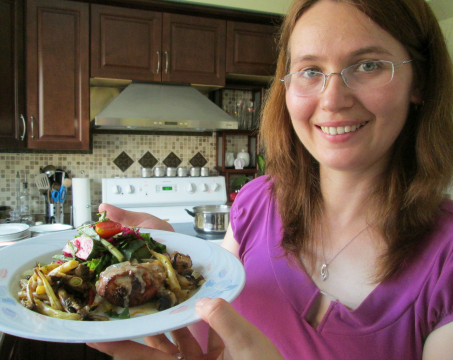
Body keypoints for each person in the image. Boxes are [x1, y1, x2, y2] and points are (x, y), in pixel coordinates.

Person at [88, 0, 453, 358]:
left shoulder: (446, 259)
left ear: (417, 82)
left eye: (368, 65)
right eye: (310, 70)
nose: (332, 99)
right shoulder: (257, 201)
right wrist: (168, 264)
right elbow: (206, 340)